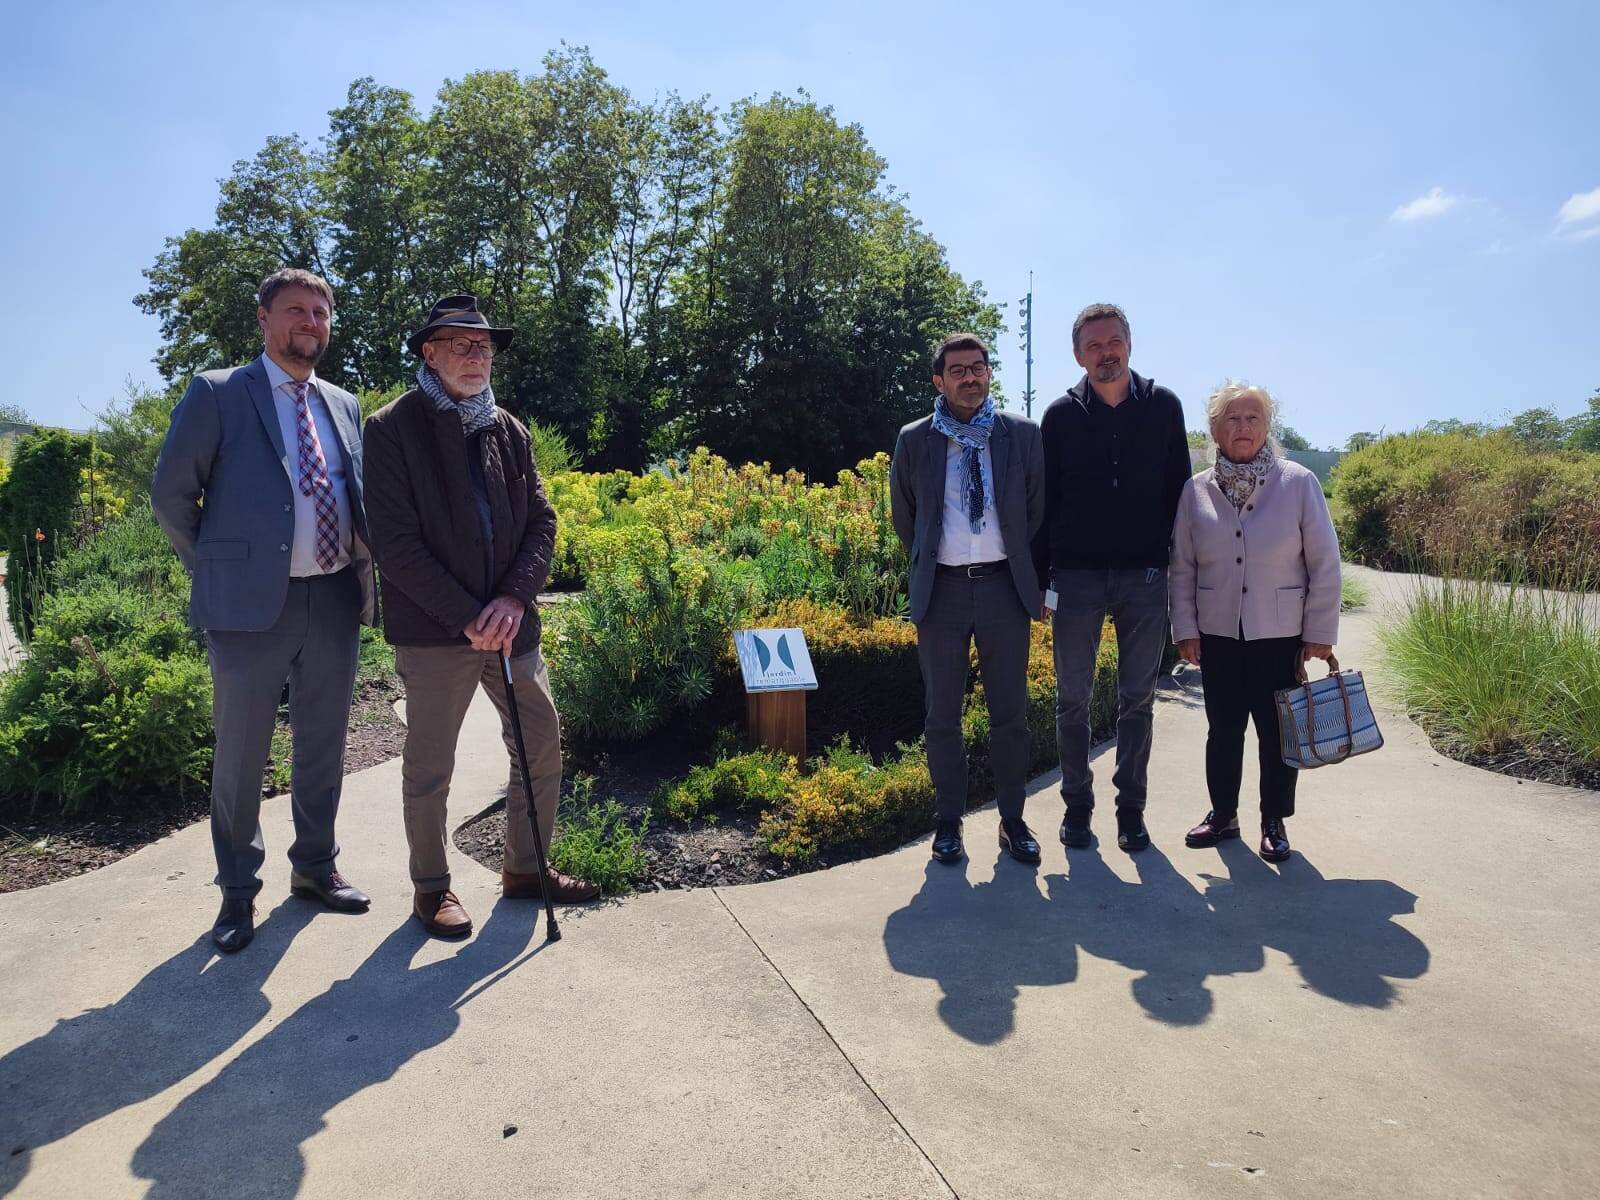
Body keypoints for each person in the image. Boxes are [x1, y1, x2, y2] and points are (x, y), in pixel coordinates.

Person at [152, 268, 377, 953]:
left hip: (333, 596)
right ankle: (237, 894)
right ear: (264, 319)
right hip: (249, 610)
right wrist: (220, 569)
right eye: (296, 310)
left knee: (322, 746)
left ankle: (314, 868)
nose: (310, 322)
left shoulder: (343, 403)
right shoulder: (219, 392)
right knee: (242, 756)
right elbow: (170, 495)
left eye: (321, 312)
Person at [363, 295, 598, 939]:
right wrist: (470, 614)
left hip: (511, 625)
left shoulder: (509, 429)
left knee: (540, 743)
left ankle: (526, 869)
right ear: (428, 352)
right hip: (437, 632)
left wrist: (513, 599)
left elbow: (542, 523)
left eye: (485, 346)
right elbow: (394, 542)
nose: (477, 355)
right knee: (432, 763)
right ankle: (432, 887)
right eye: (462, 344)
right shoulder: (391, 429)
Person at [1033, 303, 1191, 853]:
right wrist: (1039, 581)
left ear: (1129, 343)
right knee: (1071, 700)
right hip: (1074, 578)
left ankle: (1132, 811)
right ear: (1079, 355)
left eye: (1114, 340)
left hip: (1145, 578)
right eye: (1094, 345)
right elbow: (1043, 505)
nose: (1106, 352)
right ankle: (1077, 807)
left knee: (1137, 699)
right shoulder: (1059, 416)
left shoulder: (1164, 407)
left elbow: (1182, 496)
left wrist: (1181, 573)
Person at [890, 333, 1046, 866]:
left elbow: (1035, 512)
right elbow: (907, 519)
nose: (970, 377)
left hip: (1005, 587)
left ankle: (1012, 820)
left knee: (1010, 715)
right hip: (944, 591)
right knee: (942, 717)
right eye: (958, 370)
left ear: (988, 373)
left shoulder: (1021, 435)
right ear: (939, 380)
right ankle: (948, 823)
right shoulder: (915, 440)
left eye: (977, 368)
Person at [1169, 381, 1341, 862]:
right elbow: (1182, 566)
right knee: (1223, 730)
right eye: (1232, 419)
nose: (1242, 427)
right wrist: (1184, 628)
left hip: (1280, 633)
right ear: (1215, 430)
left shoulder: (1299, 483)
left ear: (1267, 427)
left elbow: (1325, 563)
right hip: (1218, 634)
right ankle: (1223, 814)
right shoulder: (1195, 490)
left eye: (1252, 418)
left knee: (1275, 731)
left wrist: (1320, 635)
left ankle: (1273, 820)